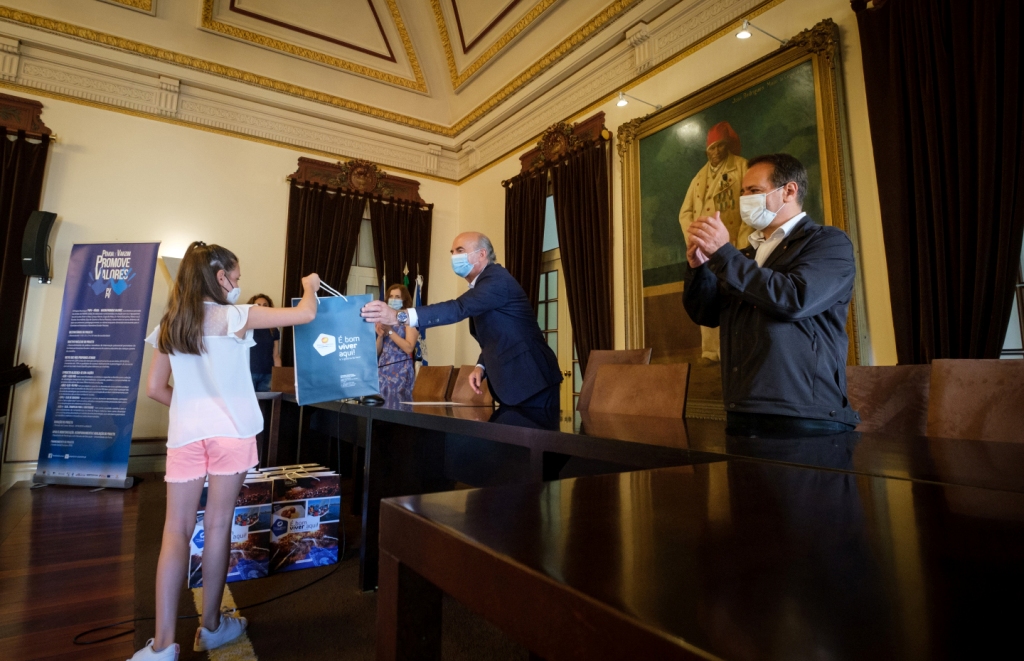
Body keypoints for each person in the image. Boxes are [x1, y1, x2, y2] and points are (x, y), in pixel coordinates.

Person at [132, 241, 319, 660]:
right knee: (217, 527)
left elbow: (155, 389)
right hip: (231, 434)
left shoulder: (170, 324)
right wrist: (309, 284)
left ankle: (162, 647)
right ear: (219, 278)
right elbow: (306, 314)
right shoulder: (236, 315)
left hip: (186, 434)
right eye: (235, 277)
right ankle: (212, 627)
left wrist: (193, 405)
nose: (238, 284)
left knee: (174, 531)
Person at [682, 153, 860, 436]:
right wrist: (699, 268)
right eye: (743, 192)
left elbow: (794, 299)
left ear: (789, 191)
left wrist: (725, 255)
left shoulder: (828, 242)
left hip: (805, 417)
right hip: (742, 410)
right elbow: (706, 313)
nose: (744, 199)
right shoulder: (745, 256)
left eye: (754, 191)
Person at [360, 232, 562, 409]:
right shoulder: (484, 284)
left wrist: (398, 316)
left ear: (481, 254)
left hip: (532, 379)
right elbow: (496, 335)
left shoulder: (496, 280)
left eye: (460, 250)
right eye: (452, 252)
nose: (454, 256)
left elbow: (458, 308)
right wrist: (481, 366)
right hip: (517, 383)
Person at [679, 121, 749, 365]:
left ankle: (732, 350)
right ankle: (710, 351)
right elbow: (685, 212)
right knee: (708, 296)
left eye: (720, 146)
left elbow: (748, 210)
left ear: (726, 146)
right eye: (712, 148)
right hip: (705, 251)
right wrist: (695, 238)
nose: (716, 152)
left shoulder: (742, 167)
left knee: (734, 299)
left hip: (733, 249)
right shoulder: (699, 177)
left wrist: (740, 246)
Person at [376, 283, 419, 401]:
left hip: (400, 370)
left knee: (397, 407)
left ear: (404, 300)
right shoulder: (383, 320)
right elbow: (376, 352)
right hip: (383, 369)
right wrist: (380, 337)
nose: (393, 299)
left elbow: (409, 348)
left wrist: (390, 331)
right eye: (391, 296)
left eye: (397, 297)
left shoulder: (410, 320)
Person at [246, 294, 281, 392]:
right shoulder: (246, 327)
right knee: (247, 405)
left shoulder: (273, 329)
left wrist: (278, 377)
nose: (262, 308)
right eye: (258, 305)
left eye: (265, 305)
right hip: (249, 373)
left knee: (264, 405)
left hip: (267, 374)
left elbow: (276, 355)